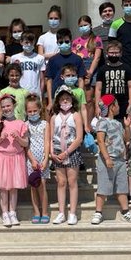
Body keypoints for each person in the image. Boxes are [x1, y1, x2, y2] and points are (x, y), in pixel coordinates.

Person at [92, 96, 131, 225]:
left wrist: (127, 127)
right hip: (107, 160)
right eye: (117, 104)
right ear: (111, 107)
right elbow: (100, 140)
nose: (119, 107)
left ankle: (125, 211)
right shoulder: (102, 122)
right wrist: (107, 158)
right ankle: (98, 212)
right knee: (103, 186)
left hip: (120, 160)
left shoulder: (118, 123)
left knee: (122, 187)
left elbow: (126, 139)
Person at [49, 86, 84, 225]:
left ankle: (72, 213)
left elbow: (79, 138)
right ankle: (61, 212)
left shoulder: (76, 115)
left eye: (67, 98)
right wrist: (52, 153)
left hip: (71, 151)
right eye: (62, 99)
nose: (65, 101)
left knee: (72, 182)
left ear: (72, 100)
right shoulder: (54, 117)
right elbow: (51, 137)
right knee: (61, 182)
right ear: (58, 101)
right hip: (58, 151)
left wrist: (67, 152)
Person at [0, 94, 28, 227]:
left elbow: (25, 143)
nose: (6, 109)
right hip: (2, 157)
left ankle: (13, 212)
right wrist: (1, 138)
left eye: (8, 105)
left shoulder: (21, 123)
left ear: (14, 105)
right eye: (3, 107)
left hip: (16, 157)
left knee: (14, 187)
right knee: (3, 187)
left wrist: (18, 138)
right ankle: (5, 213)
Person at [95, 40, 131, 123]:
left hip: (123, 103)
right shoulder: (102, 69)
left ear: (121, 53)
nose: (114, 55)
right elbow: (98, 89)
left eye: (116, 53)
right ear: (107, 53)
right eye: (111, 53)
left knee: (123, 125)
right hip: (105, 104)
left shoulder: (127, 68)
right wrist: (97, 106)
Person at [25, 94, 50, 224]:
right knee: (33, 186)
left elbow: (47, 142)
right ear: (26, 112)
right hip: (31, 160)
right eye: (29, 111)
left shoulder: (45, 124)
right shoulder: (25, 125)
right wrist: (32, 160)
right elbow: (26, 145)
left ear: (40, 109)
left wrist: (45, 159)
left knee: (42, 185)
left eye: (35, 110)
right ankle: (36, 212)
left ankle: (45, 212)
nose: (32, 113)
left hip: (42, 159)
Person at [73, 15, 103, 117]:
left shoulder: (96, 39)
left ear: (90, 25)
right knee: (81, 99)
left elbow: (97, 58)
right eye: (81, 26)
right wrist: (82, 72)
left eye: (85, 25)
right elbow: (74, 59)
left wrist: (90, 72)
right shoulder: (75, 41)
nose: (83, 27)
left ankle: (89, 123)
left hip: (92, 70)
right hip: (79, 70)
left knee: (90, 99)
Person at [45, 28, 85, 100]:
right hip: (56, 96)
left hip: (74, 96)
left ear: (71, 42)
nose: (64, 44)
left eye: (66, 41)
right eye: (61, 42)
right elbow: (49, 81)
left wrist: (80, 97)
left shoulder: (78, 59)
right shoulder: (52, 60)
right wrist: (50, 101)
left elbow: (81, 79)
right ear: (57, 43)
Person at [10, 32, 45, 98]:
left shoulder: (40, 58)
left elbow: (42, 79)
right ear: (21, 42)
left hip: (35, 93)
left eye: (31, 42)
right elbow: (11, 77)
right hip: (18, 92)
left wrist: (41, 95)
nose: (29, 45)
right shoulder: (14, 58)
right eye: (26, 42)